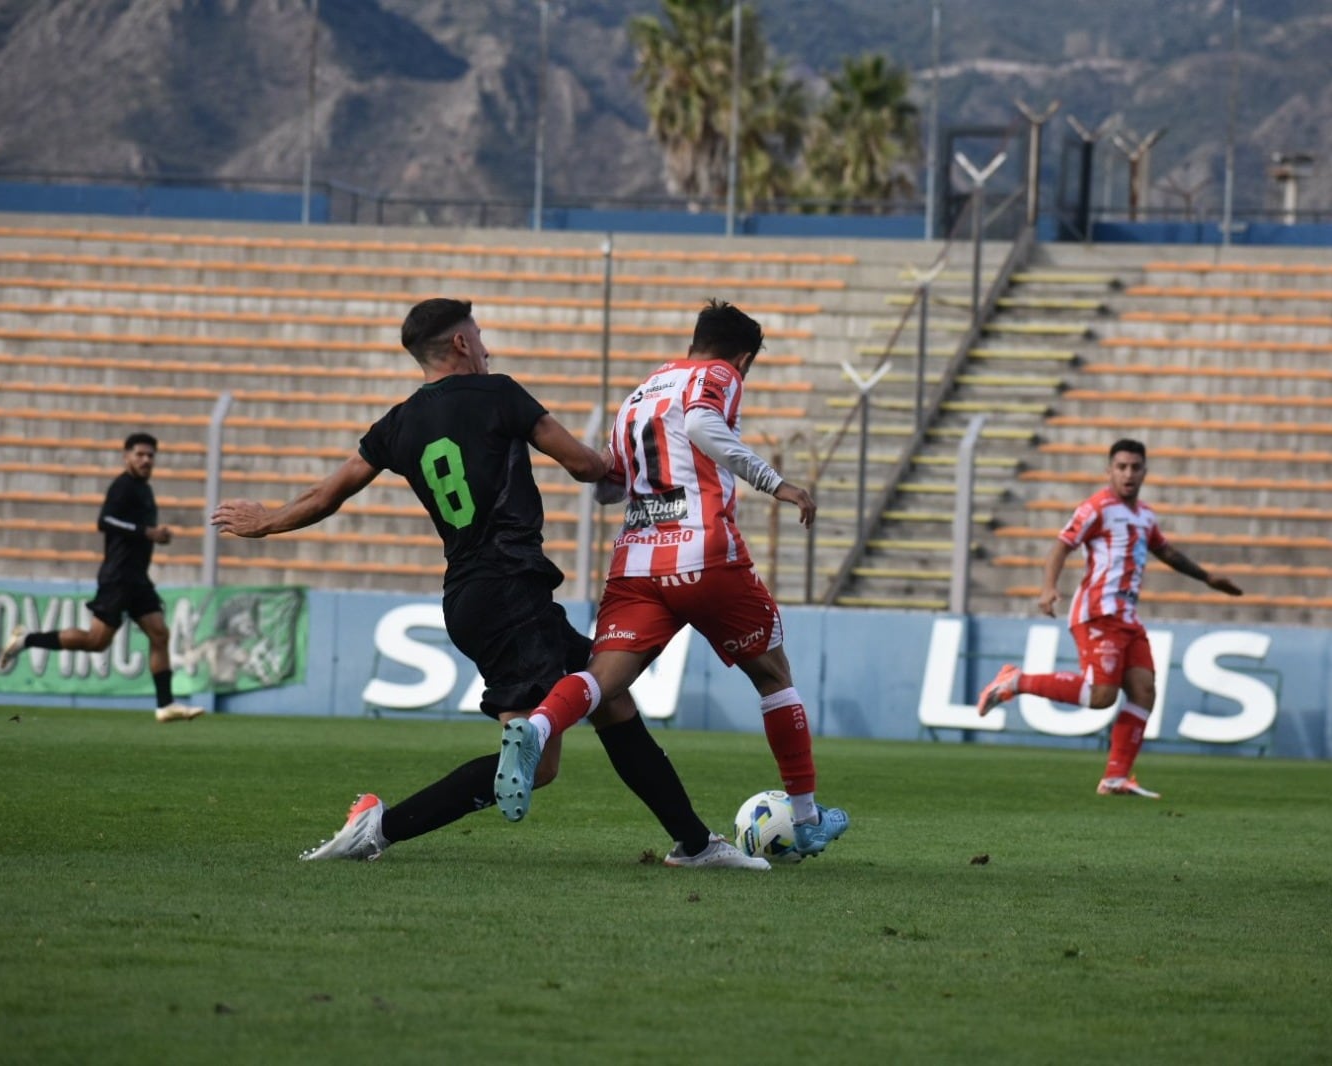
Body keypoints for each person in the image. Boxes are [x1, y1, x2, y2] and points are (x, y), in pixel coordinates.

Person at [210, 297, 765, 870]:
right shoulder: (498, 392)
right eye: (478, 335)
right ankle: (378, 828)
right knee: (540, 762)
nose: (485, 345)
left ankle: (695, 844)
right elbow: (581, 464)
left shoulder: (396, 423)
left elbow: (325, 495)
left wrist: (268, 520)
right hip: (510, 592)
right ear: (459, 344)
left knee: (611, 701)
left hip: (474, 595)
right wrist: (642, 466)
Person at [493, 299, 851, 860]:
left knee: (603, 679)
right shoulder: (718, 374)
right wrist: (775, 483)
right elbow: (704, 423)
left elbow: (612, 480)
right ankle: (805, 819)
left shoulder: (641, 393)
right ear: (744, 356)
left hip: (637, 560)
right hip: (705, 554)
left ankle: (538, 728)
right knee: (775, 677)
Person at [976, 438, 1244, 798]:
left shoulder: (1146, 516)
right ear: (1109, 471)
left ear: (1145, 471)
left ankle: (1116, 777)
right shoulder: (1096, 508)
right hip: (1097, 613)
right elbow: (1061, 546)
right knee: (1100, 695)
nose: (1128, 474)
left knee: (1144, 690)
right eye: (1121, 467)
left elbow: (1167, 552)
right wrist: (1047, 588)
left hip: (1127, 618)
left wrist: (1208, 578)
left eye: (1135, 467)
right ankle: (1015, 681)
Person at [0, 433, 204, 723]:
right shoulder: (122, 486)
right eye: (140, 454)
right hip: (118, 577)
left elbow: (136, 528)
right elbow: (104, 520)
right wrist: (146, 532)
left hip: (137, 578)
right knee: (96, 642)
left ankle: (165, 704)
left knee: (160, 633)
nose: (146, 460)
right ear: (127, 456)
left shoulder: (144, 489)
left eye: (151, 455)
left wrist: (156, 535)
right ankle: (26, 640)